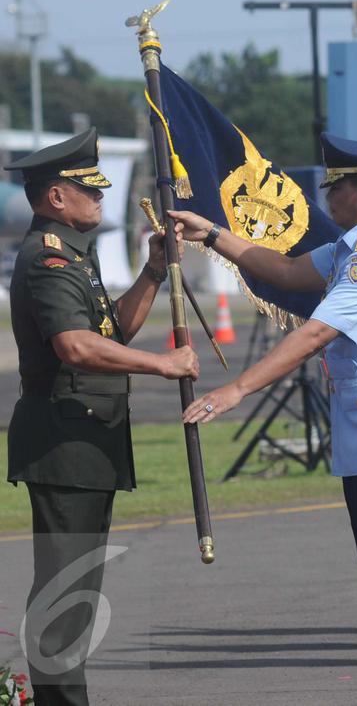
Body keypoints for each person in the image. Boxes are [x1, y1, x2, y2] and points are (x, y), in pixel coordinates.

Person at [169, 132, 357, 704]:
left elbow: (318, 331)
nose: (325, 201)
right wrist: (215, 235)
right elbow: (288, 271)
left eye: (334, 189)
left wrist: (238, 390)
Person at [5, 127, 200, 706]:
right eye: (88, 188)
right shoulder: (48, 256)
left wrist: (152, 273)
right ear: (56, 197)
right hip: (65, 443)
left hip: (87, 442)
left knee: (77, 596)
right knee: (65, 598)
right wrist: (162, 365)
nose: (100, 196)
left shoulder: (74, 253)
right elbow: (75, 347)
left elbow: (107, 331)